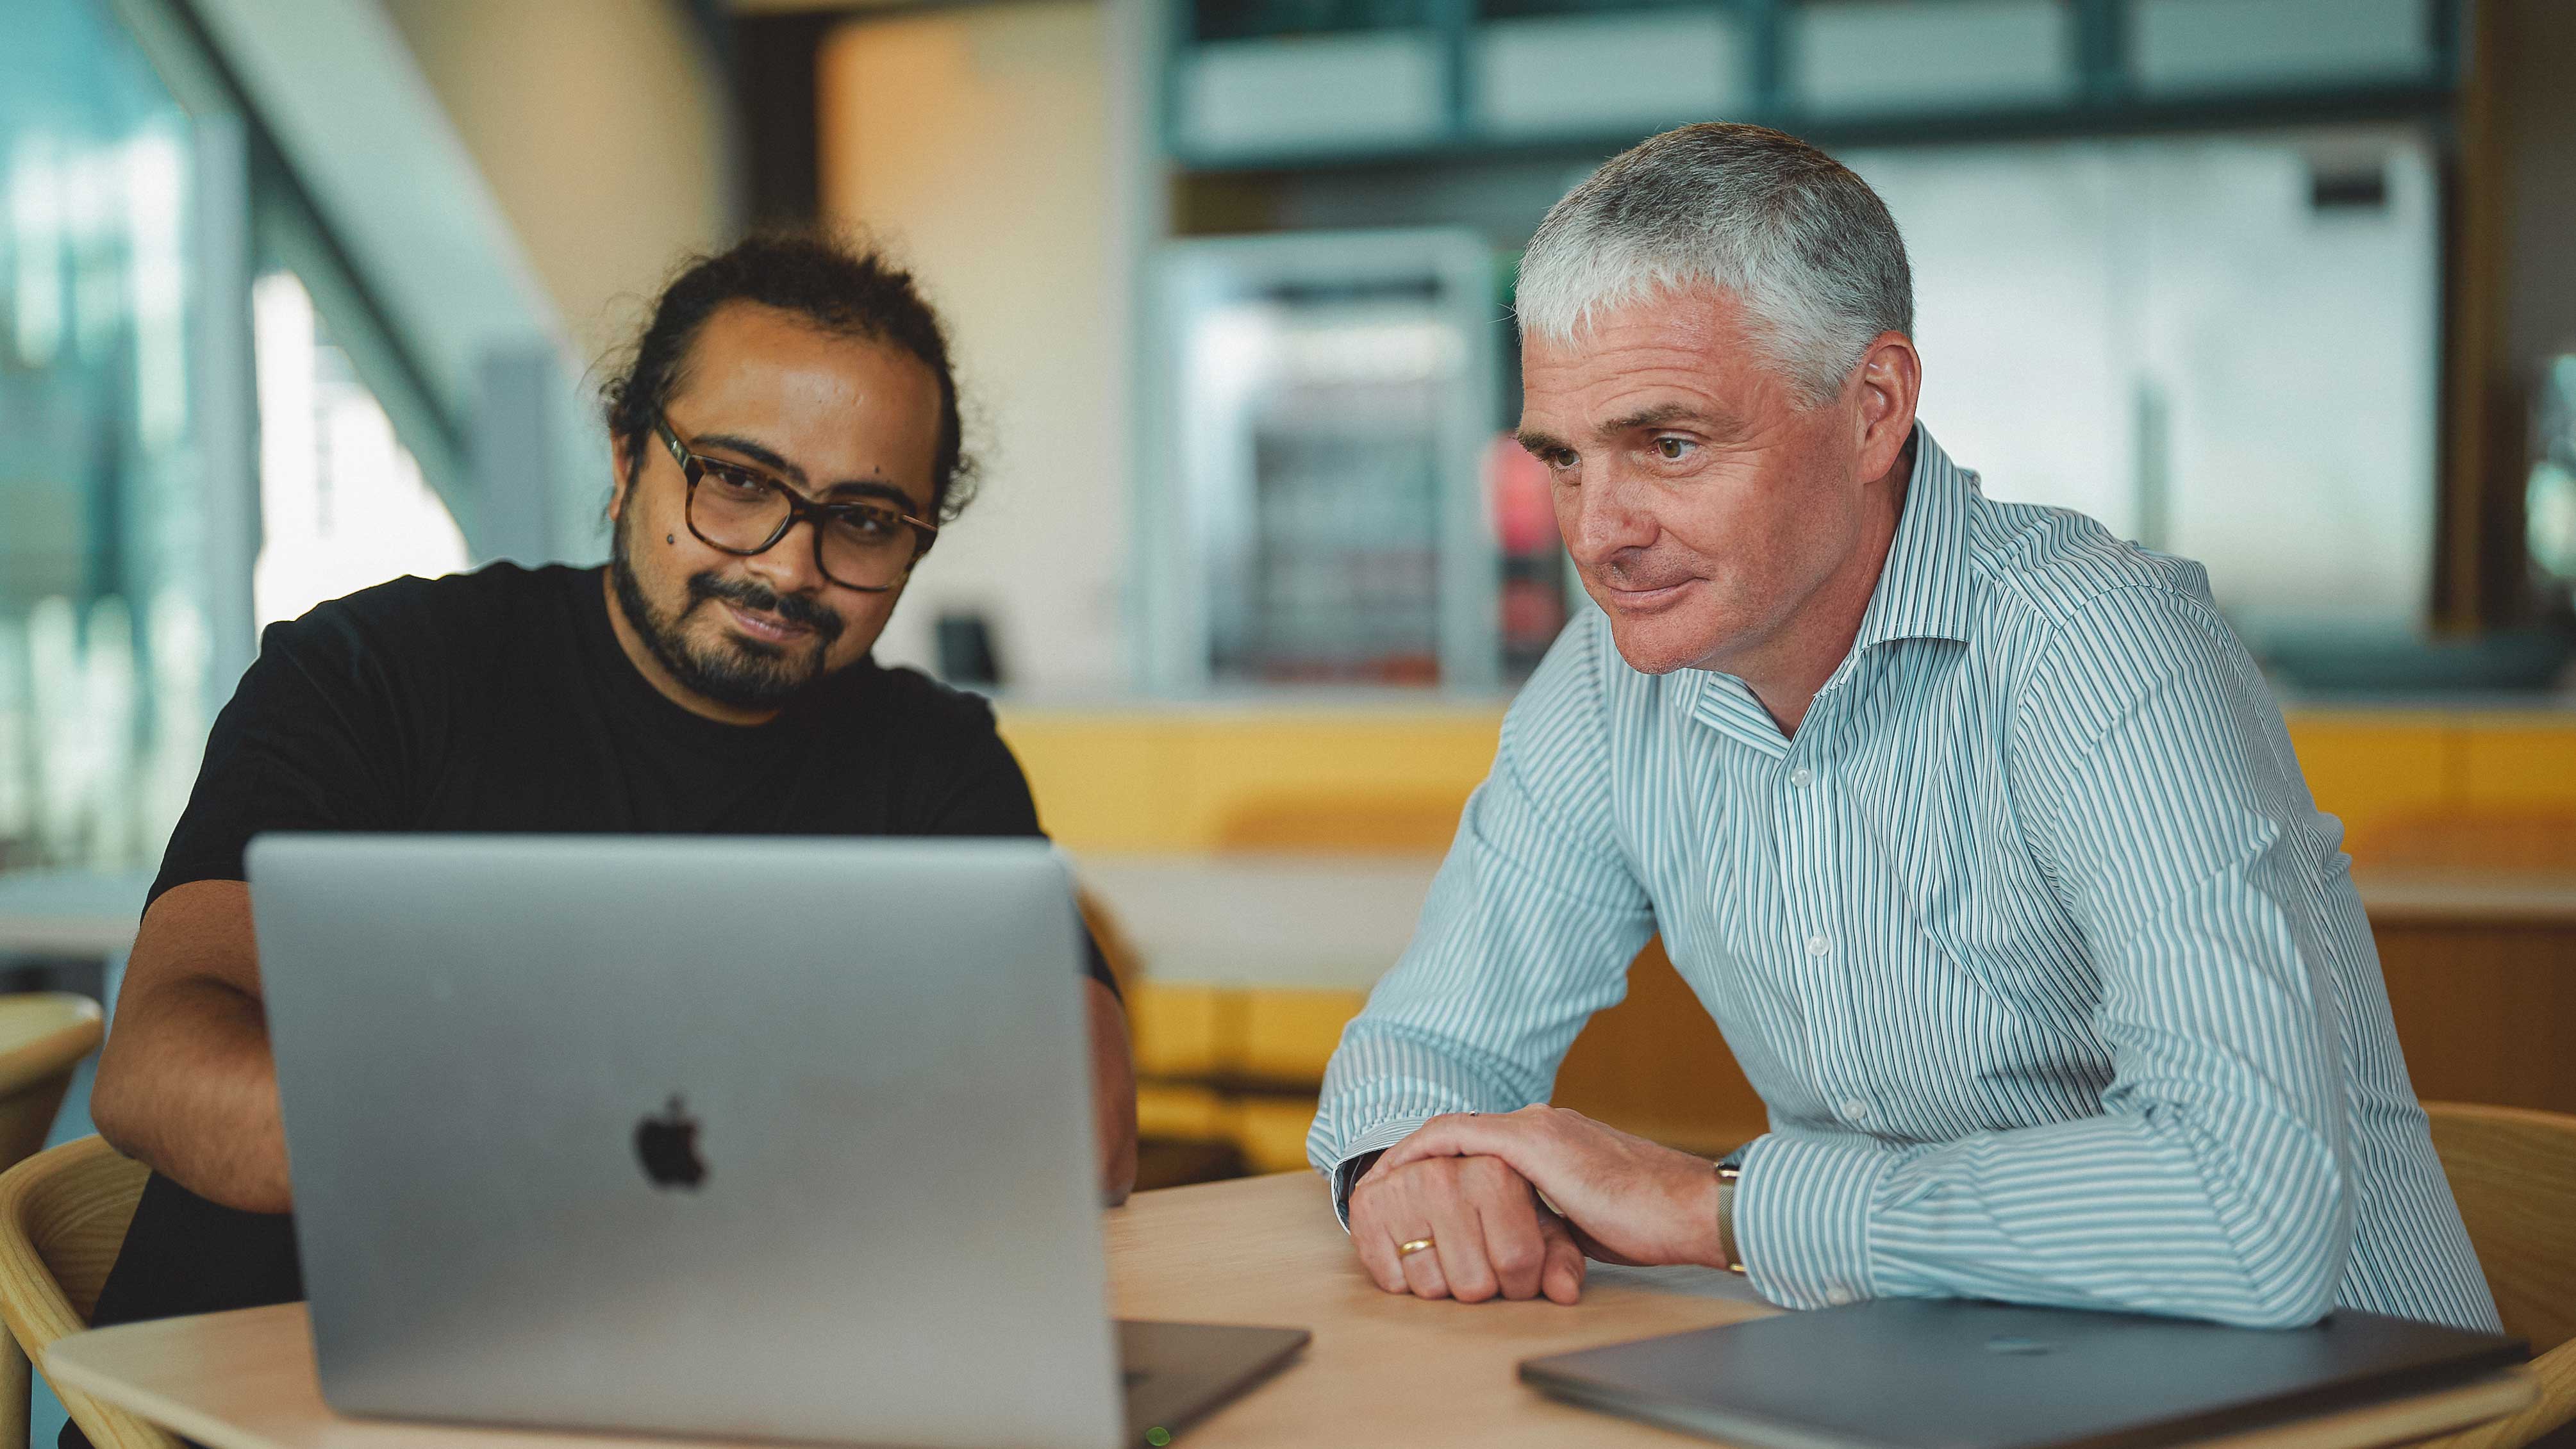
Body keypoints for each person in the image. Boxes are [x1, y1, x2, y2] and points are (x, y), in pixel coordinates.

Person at [1306, 124, 2498, 1334]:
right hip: (1937, 1381)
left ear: (1874, 409)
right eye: (1563, 459)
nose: (1597, 532)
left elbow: (2258, 1214)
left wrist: (1719, 1208)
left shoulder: (2094, 645)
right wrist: (1414, 1172)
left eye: (1669, 445)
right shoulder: (1614, 683)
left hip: (2344, 1399)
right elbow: (1422, 1051)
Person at [84, 233, 1139, 1359]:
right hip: (266, 1398)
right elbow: (156, 1069)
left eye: (866, 520)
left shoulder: (933, 758)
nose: (789, 567)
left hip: (698, 1385)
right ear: (629, 453)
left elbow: (1086, 1131)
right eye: (737, 480)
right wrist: (623, 1147)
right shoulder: (376, 674)